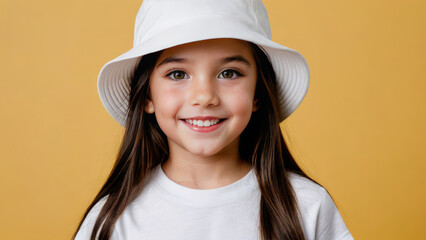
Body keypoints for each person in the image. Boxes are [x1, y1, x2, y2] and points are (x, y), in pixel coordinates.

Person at [73, 0, 353, 239]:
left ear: (258, 93)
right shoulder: (113, 221)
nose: (204, 96)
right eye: (178, 74)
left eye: (229, 73)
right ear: (147, 96)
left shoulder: (307, 206)